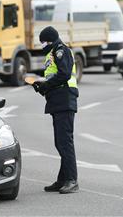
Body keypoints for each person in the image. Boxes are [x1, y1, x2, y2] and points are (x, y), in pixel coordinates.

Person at [32, 26, 79, 194]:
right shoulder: (51, 53)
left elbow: (65, 74)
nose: (42, 45)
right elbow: (54, 77)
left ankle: (72, 180)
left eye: (43, 42)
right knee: (60, 142)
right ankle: (62, 180)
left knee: (64, 142)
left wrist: (47, 84)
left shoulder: (60, 50)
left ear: (50, 40)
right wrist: (42, 86)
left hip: (65, 99)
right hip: (58, 99)